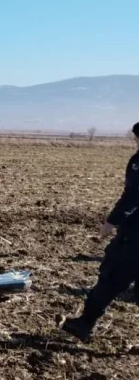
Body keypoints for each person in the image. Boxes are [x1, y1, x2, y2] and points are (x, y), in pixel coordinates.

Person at [60, 121, 139, 341]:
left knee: (112, 276)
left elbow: (134, 195)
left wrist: (111, 222)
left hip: (134, 237)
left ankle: (84, 324)